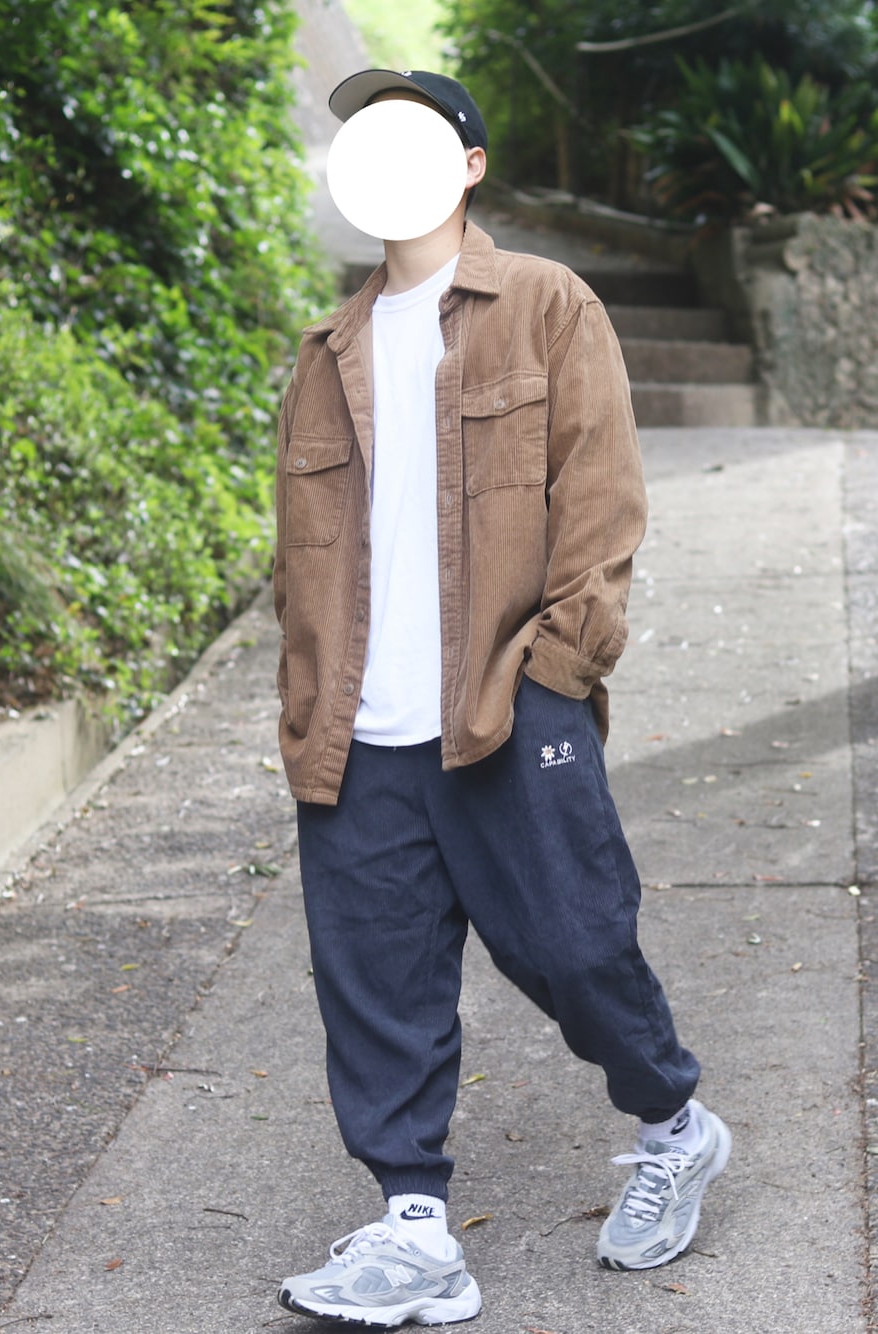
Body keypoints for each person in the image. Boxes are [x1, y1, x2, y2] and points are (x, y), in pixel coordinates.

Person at [272, 67, 730, 1328]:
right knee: (374, 986)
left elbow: (602, 499)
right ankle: (414, 1227)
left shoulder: (544, 304)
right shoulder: (325, 353)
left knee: (576, 946)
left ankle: (674, 1124)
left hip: (505, 702)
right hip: (358, 731)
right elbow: (300, 561)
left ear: (468, 164)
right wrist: (307, 702)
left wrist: (556, 676)